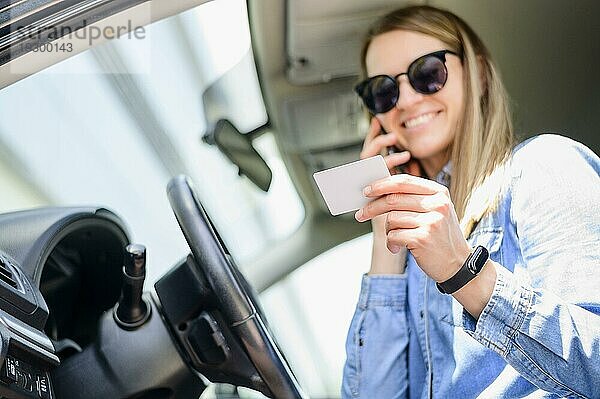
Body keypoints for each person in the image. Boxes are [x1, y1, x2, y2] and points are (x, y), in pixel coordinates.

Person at [342, 5, 600, 399]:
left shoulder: (543, 166)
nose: (406, 100)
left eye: (427, 73)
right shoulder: (410, 250)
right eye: (384, 91)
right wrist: (385, 237)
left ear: (478, 75)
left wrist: (465, 273)